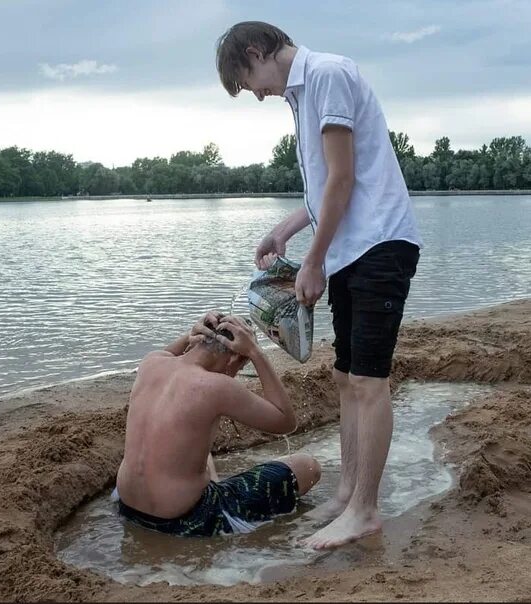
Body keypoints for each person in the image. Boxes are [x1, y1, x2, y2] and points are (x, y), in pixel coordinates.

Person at [216, 22, 422, 549]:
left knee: (369, 381)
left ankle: (366, 511)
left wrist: (312, 261)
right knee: (345, 375)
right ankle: (350, 492)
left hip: (380, 243)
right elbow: (324, 187)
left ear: (257, 52)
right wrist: (284, 231)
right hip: (355, 248)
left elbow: (344, 178)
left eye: (248, 82)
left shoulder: (327, 74)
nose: (257, 94)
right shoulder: (301, 96)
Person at [115, 311, 321, 537]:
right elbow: (286, 421)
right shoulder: (216, 386)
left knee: (204, 452)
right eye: (240, 368)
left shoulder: (151, 363)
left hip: (129, 506)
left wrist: (189, 335)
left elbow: (170, 352)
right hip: (187, 519)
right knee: (306, 466)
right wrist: (255, 352)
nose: (235, 374)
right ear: (234, 358)